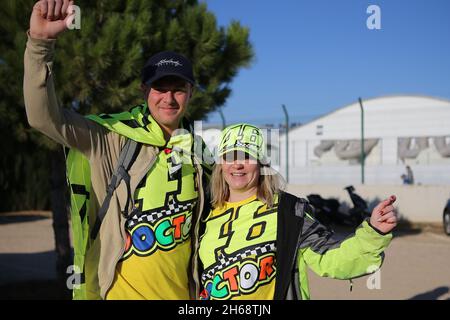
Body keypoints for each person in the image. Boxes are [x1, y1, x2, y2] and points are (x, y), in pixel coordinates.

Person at [24, 0, 212, 299]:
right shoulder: (111, 139)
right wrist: (41, 44)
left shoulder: (199, 153)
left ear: (191, 92)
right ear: (144, 90)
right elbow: (43, 117)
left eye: (178, 88)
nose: (169, 98)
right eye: (160, 88)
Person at [196, 124, 398, 300]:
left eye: (247, 156)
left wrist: (373, 232)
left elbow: (332, 259)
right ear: (221, 164)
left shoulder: (289, 212)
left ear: (261, 164)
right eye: (230, 156)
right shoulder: (204, 215)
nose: (237, 164)